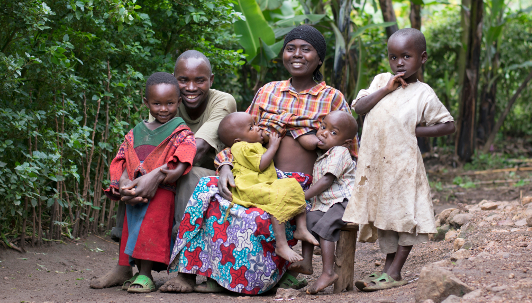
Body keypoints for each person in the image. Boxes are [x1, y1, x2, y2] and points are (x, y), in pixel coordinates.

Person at [166, 25, 358, 294]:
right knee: (205, 192)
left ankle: (247, 281)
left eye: (306, 49)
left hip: (301, 187)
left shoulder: (331, 97)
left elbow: (348, 151)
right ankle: (189, 271)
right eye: (290, 48)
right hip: (257, 177)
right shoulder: (268, 92)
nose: (297, 54)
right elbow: (238, 134)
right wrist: (224, 166)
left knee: (254, 218)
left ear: (319, 57)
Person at [90, 50, 236, 290]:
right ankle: (123, 264)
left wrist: (153, 176)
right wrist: (130, 177)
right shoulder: (164, 98)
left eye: (199, 80)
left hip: (211, 174)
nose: (191, 87)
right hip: (170, 169)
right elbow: (148, 147)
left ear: (211, 80)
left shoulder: (222, 101)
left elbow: (196, 150)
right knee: (132, 176)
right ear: (172, 80)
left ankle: (185, 270)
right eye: (183, 80)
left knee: (187, 177)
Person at [342, 28, 456, 291]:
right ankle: (387, 269)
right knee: (386, 216)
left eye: (406, 56)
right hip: (377, 166)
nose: (399, 63)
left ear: (423, 58)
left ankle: (394, 272)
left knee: (404, 215)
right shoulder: (382, 80)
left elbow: (448, 125)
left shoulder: (423, 93)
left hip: (404, 167)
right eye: (393, 57)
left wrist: (412, 130)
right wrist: (386, 88)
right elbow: (358, 108)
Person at [104, 72, 197, 292]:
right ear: (146, 102)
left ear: (179, 102)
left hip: (161, 195)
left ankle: (146, 276)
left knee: (149, 232)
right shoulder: (136, 132)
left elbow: (182, 163)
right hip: (133, 194)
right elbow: (122, 158)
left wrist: (161, 175)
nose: (164, 109)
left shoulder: (181, 132)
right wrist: (124, 182)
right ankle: (131, 272)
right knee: (132, 230)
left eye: (170, 103)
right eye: (157, 103)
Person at [217, 112, 319, 262]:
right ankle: (281, 244)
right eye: (251, 128)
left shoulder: (253, 144)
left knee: (292, 185)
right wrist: (273, 147)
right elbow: (260, 165)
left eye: (256, 124)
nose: (258, 128)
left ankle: (301, 229)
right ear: (237, 139)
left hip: (264, 184)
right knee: (277, 199)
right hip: (249, 187)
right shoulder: (241, 147)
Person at [287, 110, 357, 294]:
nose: (324, 133)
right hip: (326, 204)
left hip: (344, 202)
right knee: (309, 220)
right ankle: (307, 263)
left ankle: (328, 272)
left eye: (333, 132)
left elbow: (327, 180)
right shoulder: (324, 154)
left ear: (346, 142)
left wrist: (304, 195)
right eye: (324, 127)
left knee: (325, 226)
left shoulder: (340, 152)